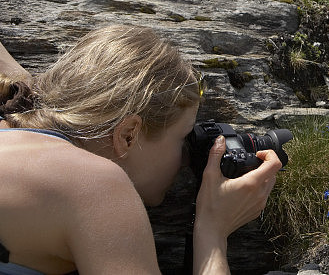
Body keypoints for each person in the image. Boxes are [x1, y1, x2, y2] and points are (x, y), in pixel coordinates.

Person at [0, 25, 282, 274]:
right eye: (183, 140)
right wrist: (213, 233)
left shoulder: (15, 119)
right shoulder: (96, 186)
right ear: (128, 135)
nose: (186, 160)